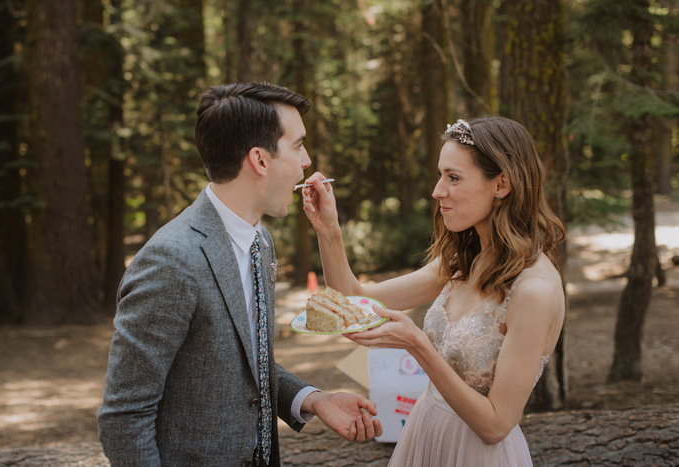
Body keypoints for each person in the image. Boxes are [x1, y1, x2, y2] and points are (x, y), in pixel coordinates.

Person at [97, 82, 382, 467]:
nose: (307, 162)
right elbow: (124, 417)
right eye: (298, 146)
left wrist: (313, 399)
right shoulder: (170, 261)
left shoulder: (260, 242)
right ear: (260, 160)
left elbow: (245, 363)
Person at [301, 117, 566, 466]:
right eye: (441, 175)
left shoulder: (535, 291)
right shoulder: (461, 261)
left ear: (501, 184)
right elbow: (356, 299)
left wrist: (418, 346)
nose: (437, 191)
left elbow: (496, 425)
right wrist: (328, 229)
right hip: (425, 433)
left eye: (453, 178)